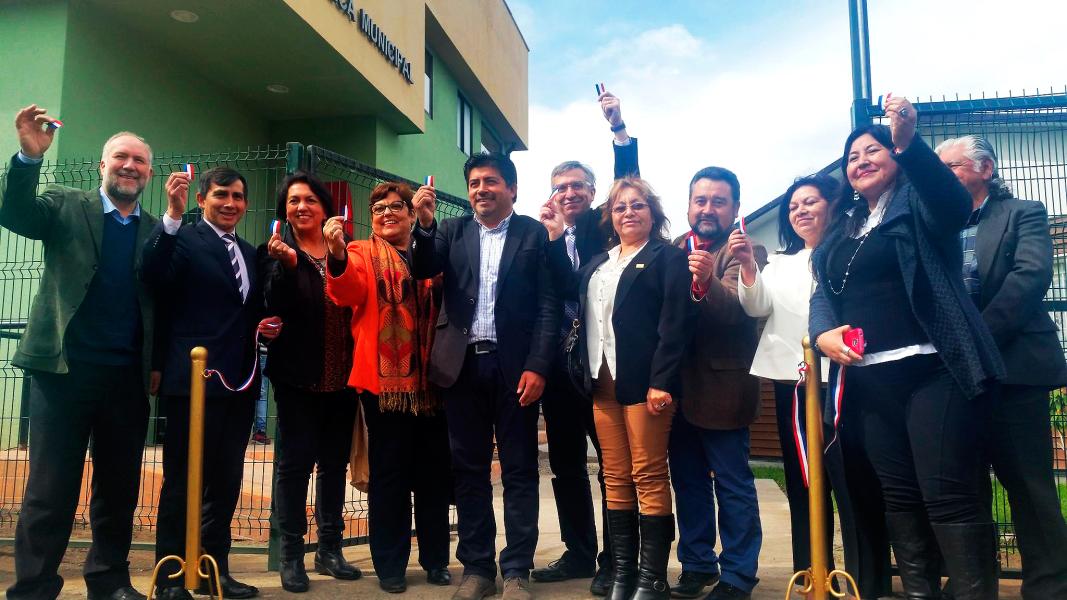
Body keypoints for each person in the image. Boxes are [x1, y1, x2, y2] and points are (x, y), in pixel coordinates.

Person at [809, 98, 1004, 600]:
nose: (861, 160)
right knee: (898, 496)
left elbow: (955, 206)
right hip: (870, 381)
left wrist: (909, 141)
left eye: (873, 150)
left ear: (895, 157)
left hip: (932, 370)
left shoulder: (917, 203)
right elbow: (821, 294)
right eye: (852, 156)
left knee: (948, 496)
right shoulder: (844, 226)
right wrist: (825, 333)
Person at [1, 106, 158, 600]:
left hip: (126, 380)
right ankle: (34, 587)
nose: (129, 166)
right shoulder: (66, 204)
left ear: (149, 173)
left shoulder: (156, 231)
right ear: (102, 165)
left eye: (138, 160)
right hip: (62, 374)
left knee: (118, 491)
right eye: (120, 157)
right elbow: (16, 214)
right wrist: (28, 159)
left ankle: (109, 580)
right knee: (50, 490)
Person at [732, 175, 892, 599]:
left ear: (832, 206)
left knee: (854, 481)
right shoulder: (780, 263)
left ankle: (866, 580)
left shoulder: (851, 251)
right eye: (793, 206)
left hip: (846, 381)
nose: (800, 211)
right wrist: (749, 264)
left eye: (810, 202)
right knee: (804, 481)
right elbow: (757, 306)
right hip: (795, 383)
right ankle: (811, 574)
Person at [411, 152, 558, 600]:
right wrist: (423, 224)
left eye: (491, 181)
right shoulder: (452, 231)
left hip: (516, 370)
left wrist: (537, 366)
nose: (481, 190)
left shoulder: (534, 234)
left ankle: (516, 570)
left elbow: (549, 305)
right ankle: (477, 569)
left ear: (511, 189)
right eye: (474, 183)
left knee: (518, 471)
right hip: (463, 366)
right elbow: (422, 267)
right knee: (469, 471)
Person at [541, 177, 695, 600]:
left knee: (647, 474)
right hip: (600, 384)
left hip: (646, 387)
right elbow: (566, 287)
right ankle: (624, 573)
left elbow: (674, 326)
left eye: (638, 205)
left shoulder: (667, 258)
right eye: (621, 207)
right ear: (609, 216)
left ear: (653, 212)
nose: (629, 212)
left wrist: (662, 381)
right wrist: (555, 237)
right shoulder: (598, 264)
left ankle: (653, 577)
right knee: (616, 475)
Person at [937, 135, 1067, 599]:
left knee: (1028, 486)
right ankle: (973, 582)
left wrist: (975, 340)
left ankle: (1049, 586)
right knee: (963, 485)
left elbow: (1029, 278)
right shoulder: (935, 225)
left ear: (984, 168)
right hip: (951, 376)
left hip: (1013, 369)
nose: (941, 176)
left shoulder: (1023, 213)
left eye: (950, 167)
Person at [143, 166, 281, 600]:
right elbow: (154, 275)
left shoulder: (248, 251)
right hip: (193, 382)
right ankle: (171, 576)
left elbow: (246, 308)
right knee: (184, 479)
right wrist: (171, 215)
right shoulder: (182, 238)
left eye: (239, 196)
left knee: (225, 481)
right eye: (222, 194)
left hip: (240, 382)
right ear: (202, 199)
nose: (231, 203)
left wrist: (266, 325)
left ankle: (212, 569)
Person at [532, 90, 640, 597]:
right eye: (560, 188)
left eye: (577, 186)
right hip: (560, 368)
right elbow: (552, 295)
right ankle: (578, 552)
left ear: (593, 192)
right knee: (566, 464)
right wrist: (552, 241)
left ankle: (619, 559)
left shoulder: (604, 225)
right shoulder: (544, 235)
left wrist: (619, 131)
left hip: (604, 366)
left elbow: (629, 184)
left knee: (614, 466)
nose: (568, 194)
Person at [324, 181, 452, 594]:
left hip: (433, 384)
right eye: (378, 207)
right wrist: (338, 254)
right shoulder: (361, 252)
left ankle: (436, 561)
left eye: (396, 205)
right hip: (384, 386)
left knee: (433, 476)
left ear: (412, 214)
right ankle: (391, 566)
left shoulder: (431, 253)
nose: (386, 212)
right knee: (391, 476)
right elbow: (346, 291)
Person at [260, 172, 361, 593]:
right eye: (293, 201)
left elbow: (355, 296)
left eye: (309, 200)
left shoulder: (347, 251)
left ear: (325, 207)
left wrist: (337, 256)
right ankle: (291, 556)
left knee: (334, 465)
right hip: (297, 378)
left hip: (343, 378)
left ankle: (330, 549)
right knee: (294, 465)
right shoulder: (276, 252)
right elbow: (271, 305)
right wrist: (285, 267)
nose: (301, 207)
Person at [668, 167, 764, 600]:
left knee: (732, 485)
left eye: (718, 201)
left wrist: (706, 280)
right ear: (688, 205)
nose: (708, 209)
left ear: (735, 208)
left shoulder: (746, 250)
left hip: (724, 389)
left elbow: (734, 314)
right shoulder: (672, 249)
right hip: (674, 391)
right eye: (700, 200)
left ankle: (739, 575)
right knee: (687, 482)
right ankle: (697, 564)